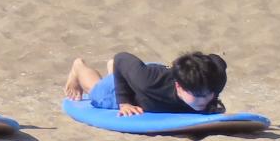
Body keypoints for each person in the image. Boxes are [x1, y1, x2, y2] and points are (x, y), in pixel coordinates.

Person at [64, 51, 228, 116]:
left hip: (153, 71)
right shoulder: (148, 83)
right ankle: (79, 67)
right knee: (97, 93)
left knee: (126, 71)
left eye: (208, 95)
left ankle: (117, 72)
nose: (203, 100)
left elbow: (217, 61)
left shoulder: (213, 83)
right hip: (140, 84)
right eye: (197, 95)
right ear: (179, 87)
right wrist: (125, 102)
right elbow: (122, 57)